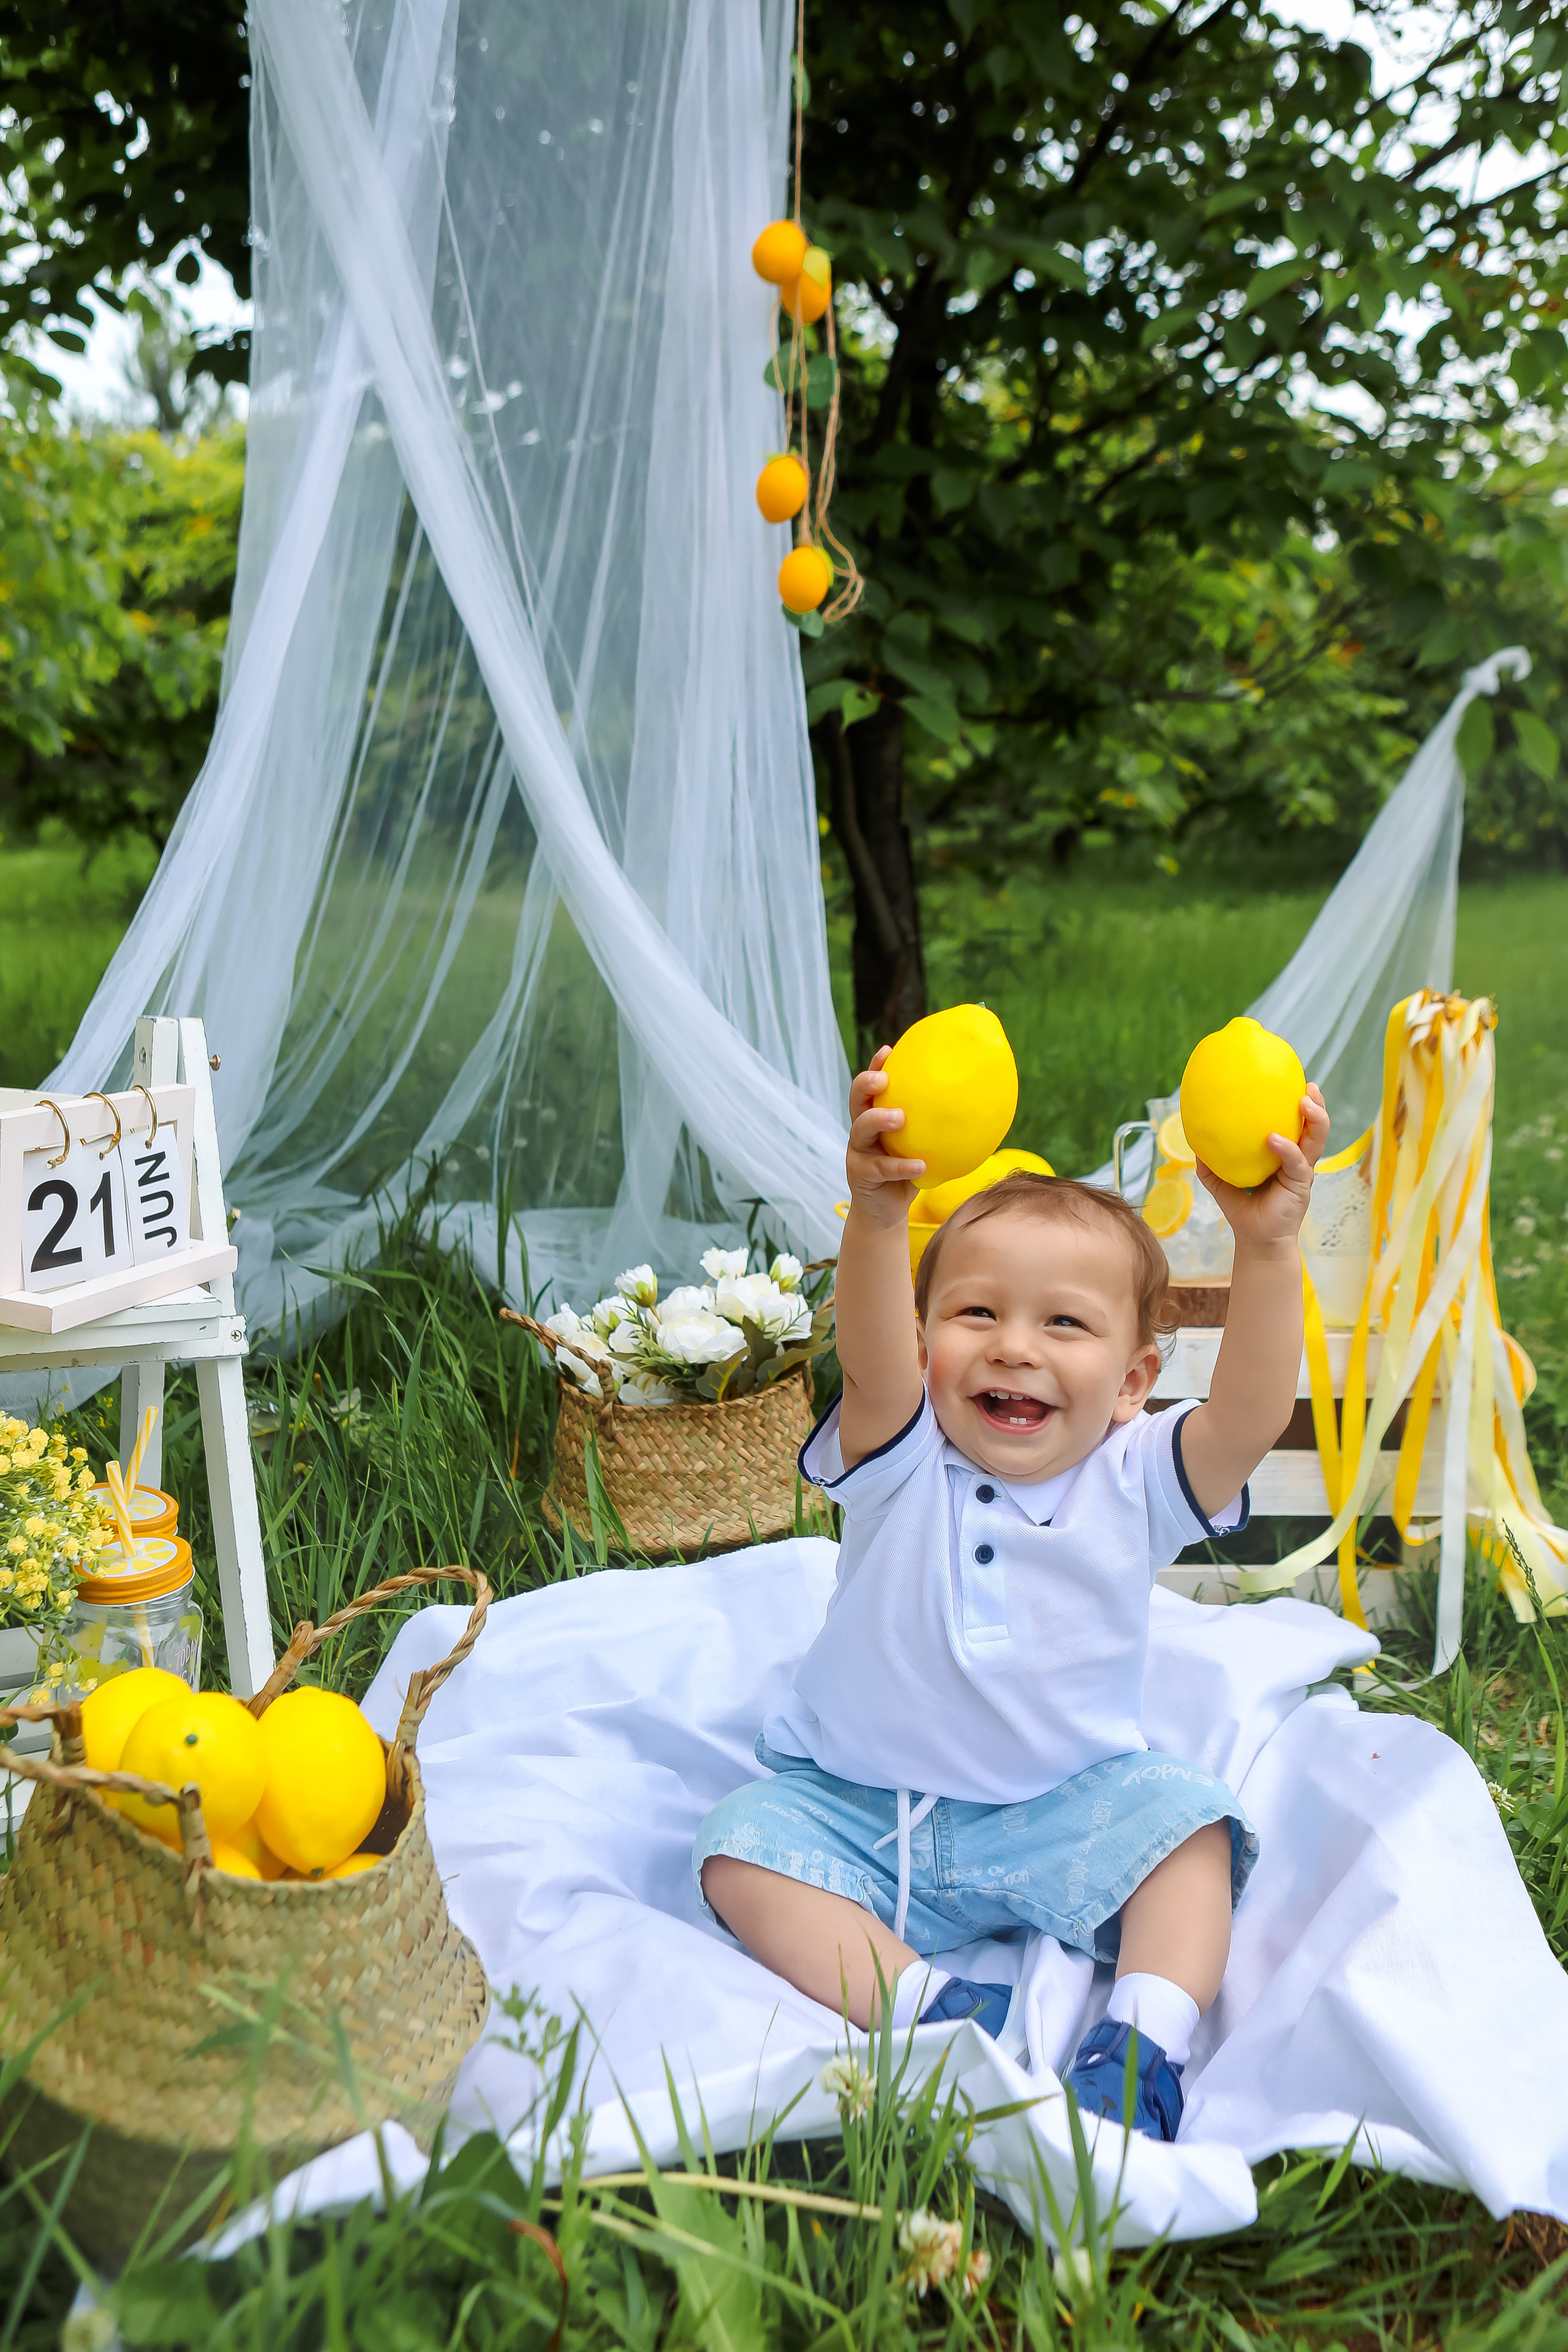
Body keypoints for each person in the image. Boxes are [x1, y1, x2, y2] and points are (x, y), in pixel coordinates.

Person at [694, 1047, 1329, 2141]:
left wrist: (1267, 1249)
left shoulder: (1135, 1478)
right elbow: (876, 1353)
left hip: (1061, 1807)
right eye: (975, 1314)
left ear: (1135, 1383)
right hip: (861, 1808)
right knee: (737, 1850)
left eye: (1066, 1325)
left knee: (1194, 1833)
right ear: (928, 1340)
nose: (1015, 1348)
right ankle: (935, 2013)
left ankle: (1141, 2041)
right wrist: (880, 1217)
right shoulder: (901, 1460)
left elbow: (1253, 1414)